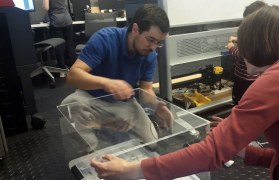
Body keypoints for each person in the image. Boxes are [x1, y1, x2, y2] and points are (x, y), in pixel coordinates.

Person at [90, 5, 279, 180]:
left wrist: (131, 170)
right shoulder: (106, 38)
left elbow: (210, 152)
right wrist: (241, 147)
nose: (239, 53)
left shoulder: (271, 81)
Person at [61, 5, 173, 150]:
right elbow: (73, 76)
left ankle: (105, 126)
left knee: (152, 142)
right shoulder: (105, 39)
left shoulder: (149, 55)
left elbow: (146, 90)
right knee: (70, 104)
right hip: (92, 99)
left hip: (124, 104)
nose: (153, 47)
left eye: (158, 43)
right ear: (135, 29)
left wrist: (156, 105)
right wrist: (106, 83)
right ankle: (92, 146)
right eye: (150, 40)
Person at [225, 1, 267, 105]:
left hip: (245, 79)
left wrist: (231, 48)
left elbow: (242, 55)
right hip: (254, 79)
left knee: (240, 101)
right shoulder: (262, 35)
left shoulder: (255, 38)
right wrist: (237, 39)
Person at [43, 0, 76, 72]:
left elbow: (46, 8)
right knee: (70, 45)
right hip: (67, 20)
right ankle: (74, 68)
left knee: (59, 46)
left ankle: (62, 70)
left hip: (56, 21)